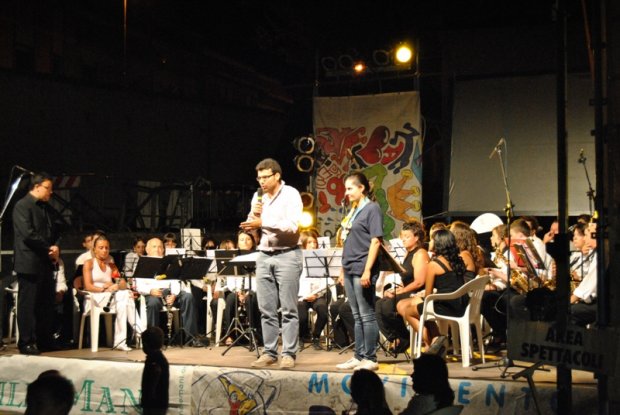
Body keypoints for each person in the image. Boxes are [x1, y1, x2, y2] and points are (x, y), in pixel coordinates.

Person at [240, 158, 303, 369]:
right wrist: (252, 221)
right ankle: (269, 352)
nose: (262, 181)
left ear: (277, 176)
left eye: (265, 177)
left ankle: (289, 353)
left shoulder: (291, 194)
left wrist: (263, 221)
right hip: (264, 255)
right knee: (266, 308)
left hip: (287, 254)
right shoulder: (258, 196)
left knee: (288, 309)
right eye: (259, 178)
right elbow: (254, 224)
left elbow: (293, 226)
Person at [336, 171, 383, 372]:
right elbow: (347, 240)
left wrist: (367, 270)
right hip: (349, 266)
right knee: (356, 314)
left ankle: (370, 357)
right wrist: (342, 269)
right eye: (346, 189)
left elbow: (376, 241)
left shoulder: (372, 208)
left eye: (350, 188)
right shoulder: (354, 210)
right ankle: (359, 355)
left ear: (361, 188)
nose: (346, 193)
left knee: (366, 314)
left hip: (362, 266)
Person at [12, 172, 60, 355]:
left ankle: (44, 339)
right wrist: (48, 248)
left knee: (45, 303)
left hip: (45, 262)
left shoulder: (46, 208)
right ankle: (26, 342)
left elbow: (54, 230)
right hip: (29, 262)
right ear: (37, 186)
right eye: (48, 188)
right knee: (28, 304)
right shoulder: (22, 206)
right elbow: (28, 233)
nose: (50, 192)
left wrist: (55, 246)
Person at [399, 229, 467, 350]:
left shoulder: (434, 265)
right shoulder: (459, 261)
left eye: (432, 240)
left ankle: (431, 342)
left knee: (409, 312)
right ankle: (435, 339)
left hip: (444, 305)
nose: (430, 242)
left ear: (438, 244)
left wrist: (419, 296)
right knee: (418, 307)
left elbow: (428, 294)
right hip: (461, 304)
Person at [135, 238, 202, 347]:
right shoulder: (143, 263)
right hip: (153, 293)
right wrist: (150, 291)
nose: (157, 249)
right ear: (147, 249)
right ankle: (153, 341)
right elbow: (139, 286)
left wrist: (174, 294)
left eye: (160, 247)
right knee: (153, 303)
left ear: (163, 250)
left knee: (188, 297)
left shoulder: (169, 263)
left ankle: (191, 338)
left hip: (170, 292)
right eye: (154, 247)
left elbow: (175, 280)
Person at [82, 234, 144, 351]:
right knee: (125, 296)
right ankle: (142, 333)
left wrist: (115, 285)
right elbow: (88, 286)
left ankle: (122, 341)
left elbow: (123, 284)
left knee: (126, 296)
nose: (104, 250)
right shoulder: (89, 263)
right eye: (101, 248)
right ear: (94, 249)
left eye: (107, 248)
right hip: (95, 297)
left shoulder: (111, 264)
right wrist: (104, 289)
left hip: (112, 298)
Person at [377, 220, 429, 355]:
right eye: (402, 236)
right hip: (407, 290)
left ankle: (403, 337)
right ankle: (396, 338)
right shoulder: (407, 253)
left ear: (416, 237)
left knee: (388, 306)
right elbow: (407, 279)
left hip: (417, 293)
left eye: (407, 236)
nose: (403, 239)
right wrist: (396, 290)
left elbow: (419, 282)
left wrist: (401, 291)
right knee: (379, 304)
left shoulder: (420, 253)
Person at [222, 230, 262, 346]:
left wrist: (249, 291)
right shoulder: (234, 257)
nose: (245, 242)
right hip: (236, 290)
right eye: (242, 239)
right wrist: (238, 292)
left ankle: (255, 333)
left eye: (248, 239)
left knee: (251, 299)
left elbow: (259, 278)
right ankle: (229, 334)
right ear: (238, 242)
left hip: (253, 290)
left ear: (253, 242)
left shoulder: (259, 256)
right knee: (230, 299)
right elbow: (230, 278)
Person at [297, 229, 331, 350]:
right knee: (301, 316)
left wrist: (316, 294)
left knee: (323, 311)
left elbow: (326, 281)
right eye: (310, 242)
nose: (313, 245)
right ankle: (300, 337)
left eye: (315, 242)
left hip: (317, 295)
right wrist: (305, 295)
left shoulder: (321, 259)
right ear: (304, 244)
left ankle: (316, 336)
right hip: (302, 295)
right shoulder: (298, 260)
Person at [141, 326, 169, 415]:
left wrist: (147, 399)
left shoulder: (154, 360)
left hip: (154, 405)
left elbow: (154, 379)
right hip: (158, 404)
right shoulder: (158, 358)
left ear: (146, 344)